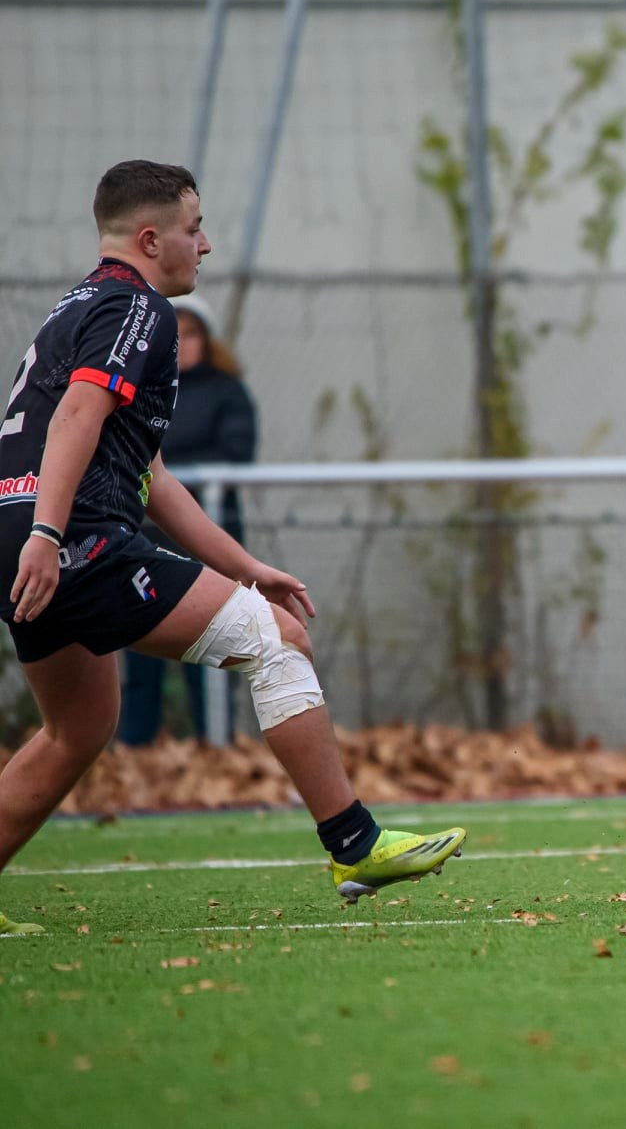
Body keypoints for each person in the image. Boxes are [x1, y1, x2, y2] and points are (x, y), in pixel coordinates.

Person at [0, 161, 463, 937]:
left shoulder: (78, 306)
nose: (205, 245)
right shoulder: (135, 307)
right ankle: (355, 843)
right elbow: (78, 415)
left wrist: (244, 567)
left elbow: (151, 474)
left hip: (25, 529)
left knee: (77, 728)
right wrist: (52, 536)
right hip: (70, 535)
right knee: (275, 639)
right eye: (193, 227)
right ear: (152, 239)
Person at [117, 294, 257, 744]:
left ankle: (215, 744)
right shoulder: (137, 392)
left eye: (190, 333)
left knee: (216, 643)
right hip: (143, 540)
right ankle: (135, 747)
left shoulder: (227, 392)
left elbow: (235, 454)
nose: (182, 344)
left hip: (207, 540)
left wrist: (167, 482)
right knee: (141, 653)